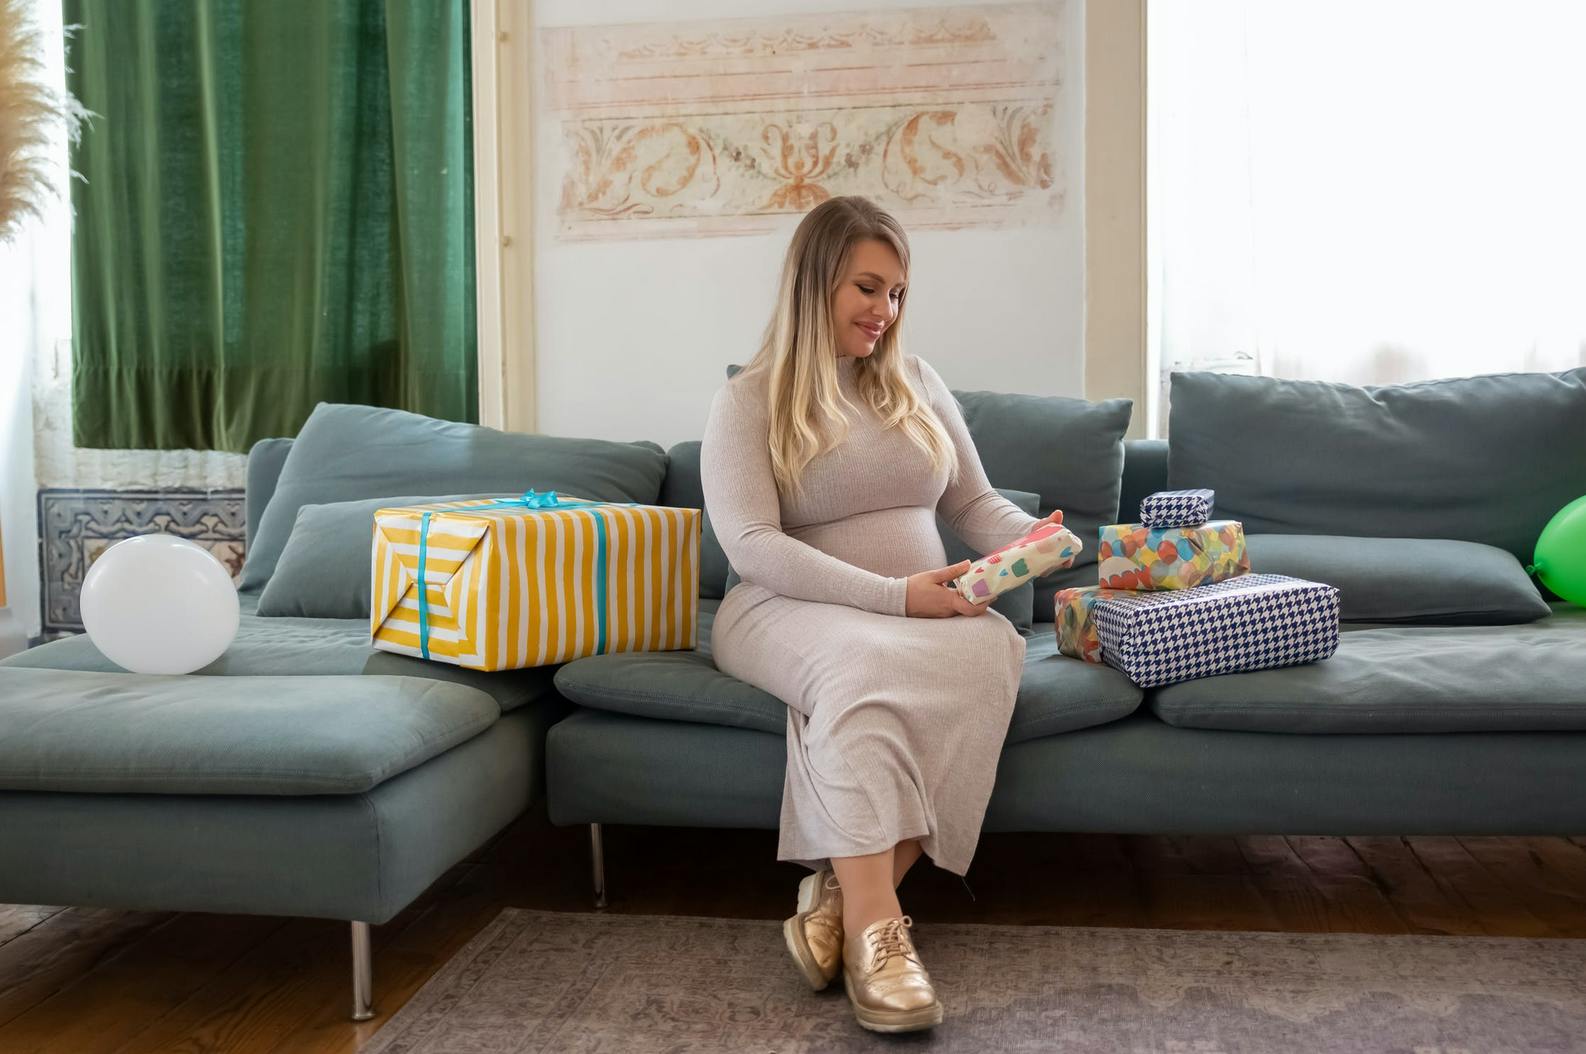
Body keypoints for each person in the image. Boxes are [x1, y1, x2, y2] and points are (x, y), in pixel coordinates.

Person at [700, 195, 1063, 1033]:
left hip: (914, 616)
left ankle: (838, 895)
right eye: (867, 287)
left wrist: (1039, 538)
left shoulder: (916, 380)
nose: (884, 311)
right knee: (860, 663)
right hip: (782, 607)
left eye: (898, 293)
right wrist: (896, 596)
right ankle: (878, 937)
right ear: (815, 279)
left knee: (992, 648)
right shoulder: (748, 400)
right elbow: (752, 543)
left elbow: (975, 502)